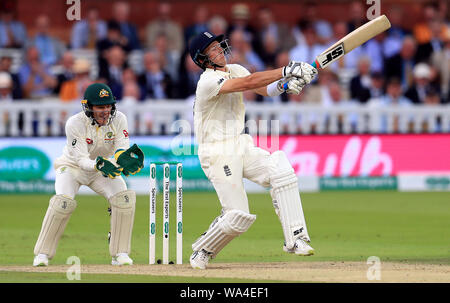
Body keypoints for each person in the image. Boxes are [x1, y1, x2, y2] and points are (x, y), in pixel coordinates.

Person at [188, 31, 317, 269]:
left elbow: (265, 89)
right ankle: (203, 249)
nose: (220, 51)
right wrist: (287, 70)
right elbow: (248, 83)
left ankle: (296, 238)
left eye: (219, 46)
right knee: (238, 216)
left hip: (239, 143)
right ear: (203, 59)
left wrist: (288, 84)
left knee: (280, 168)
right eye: (213, 49)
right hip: (216, 152)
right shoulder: (207, 81)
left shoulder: (235, 69)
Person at [32, 83, 144, 267]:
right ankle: (42, 254)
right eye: (100, 107)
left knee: (123, 199)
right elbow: (82, 159)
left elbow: (121, 146)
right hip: (72, 167)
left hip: (103, 167)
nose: (106, 111)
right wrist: (99, 164)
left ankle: (120, 253)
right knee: (63, 202)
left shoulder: (120, 119)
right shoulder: (74, 123)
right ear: (89, 107)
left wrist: (122, 159)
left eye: (108, 106)